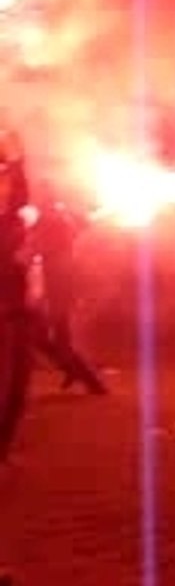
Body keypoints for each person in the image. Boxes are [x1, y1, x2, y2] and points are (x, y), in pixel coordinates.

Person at [29, 192, 107, 395]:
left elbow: (37, 248)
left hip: (59, 291)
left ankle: (91, 382)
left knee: (58, 340)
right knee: (40, 336)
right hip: (54, 290)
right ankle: (75, 371)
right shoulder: (53, 220)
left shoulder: (52, 222)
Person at [0, 130, 32, 464]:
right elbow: (17, 201)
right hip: (6, 312)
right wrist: (15, 163)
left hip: (12, 310)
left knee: (16, 386)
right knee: (10, 386)